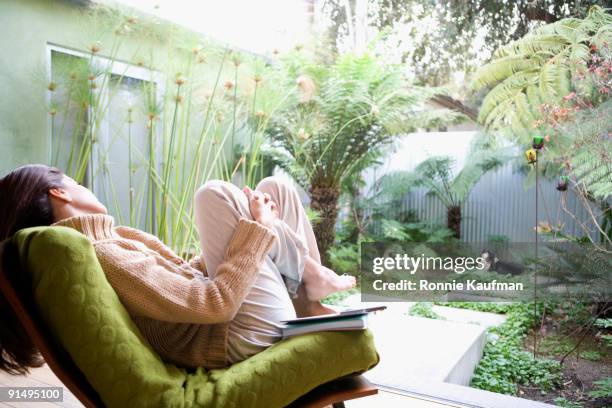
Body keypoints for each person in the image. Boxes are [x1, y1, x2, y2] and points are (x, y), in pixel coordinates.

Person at [0, 164, 355, 373]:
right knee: (213, 194)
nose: (83, 186)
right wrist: (258, 228)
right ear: (59, 194)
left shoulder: (113, 240)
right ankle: (313, 280)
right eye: (76, 182)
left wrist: (242, 232)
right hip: (236, 336)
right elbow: (214, 304)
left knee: (275, 187)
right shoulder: (105, 253)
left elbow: (186, 281)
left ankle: (308, 294)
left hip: (234, 323)